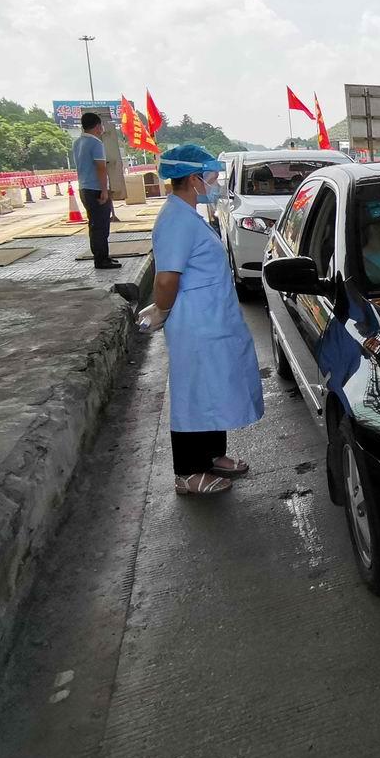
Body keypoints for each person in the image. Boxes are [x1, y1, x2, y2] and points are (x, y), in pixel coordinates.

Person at [138, 145, 265, 497]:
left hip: (211, 319)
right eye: (210, 177)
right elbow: (166, 279)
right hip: (194, 323)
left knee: (213, 387)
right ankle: (189, 472)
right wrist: (161, 310)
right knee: (194, 393)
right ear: (193, 179)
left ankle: (212, 455)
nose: (214, 183)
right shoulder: (175, 220)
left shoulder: (189, 214)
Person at [71, 112, 120, 270]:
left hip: (84, 188)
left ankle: (101, 256)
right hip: (95, 189)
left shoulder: (77, 142)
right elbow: (101, 167)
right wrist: (104, 191)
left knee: (94, 225)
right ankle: (101, 260)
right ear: (98, 126)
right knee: (101, 226)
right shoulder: (96, 143)